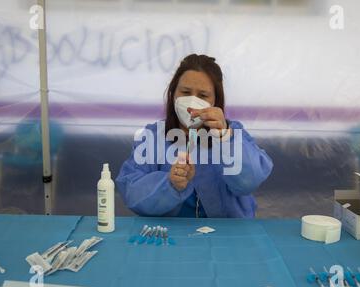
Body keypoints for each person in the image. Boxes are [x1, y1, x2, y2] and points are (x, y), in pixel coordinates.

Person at [116, 54, 273, 218]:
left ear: (215, 101)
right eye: (185, 92)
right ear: (173, 94)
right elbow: (132, 192)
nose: (192, 102)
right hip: (171, 236)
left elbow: (250, 181)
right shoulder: (153, 138)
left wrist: (225, 138)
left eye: (203, 95)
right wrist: (171, 184)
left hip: (228, 236)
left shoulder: (233, 134)